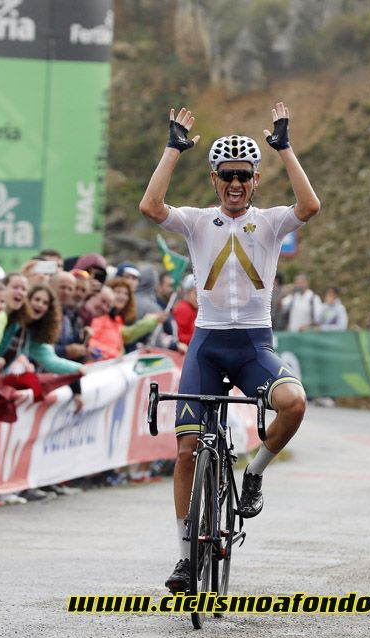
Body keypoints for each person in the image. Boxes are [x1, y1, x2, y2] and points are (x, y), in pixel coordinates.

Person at [139, 102, 319, 591]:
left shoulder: (272, 221)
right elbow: (152, 208)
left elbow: (310, 207)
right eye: (226, 176)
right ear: (215, 178)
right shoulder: (197, 221)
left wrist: (284, 149)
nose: (235, 183)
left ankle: (255, 473)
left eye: (243, 175)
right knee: (187, 450)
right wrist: (173, 149)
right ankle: (183, 558)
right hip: (207, 346)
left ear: (255, 179)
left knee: (294, 404)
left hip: (253, 347)